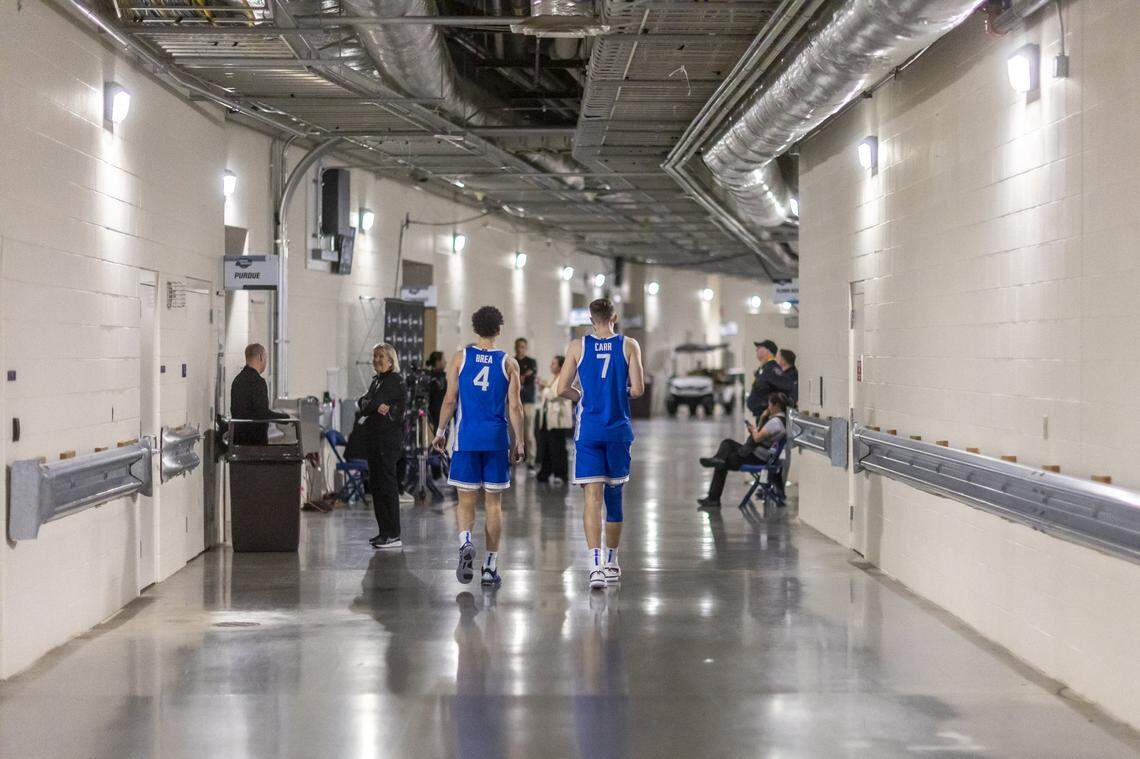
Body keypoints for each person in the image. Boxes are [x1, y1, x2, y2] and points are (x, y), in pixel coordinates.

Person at [556, 298, 645, 591]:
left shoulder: (577, 346)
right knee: (614, 497)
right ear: (615, 317)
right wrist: (619, 393)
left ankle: (594, 567)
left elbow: (561, 388)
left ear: (590, 319)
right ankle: (611, 561)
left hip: (589, 431)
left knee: (591, 499)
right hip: (618, 430)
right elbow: (639, 389)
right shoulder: (629, 345)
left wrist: (582, 396)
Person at [434, 306, 526, 588]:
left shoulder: (461, 358)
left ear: (475, 329)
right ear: (499, 330)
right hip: (496, 439)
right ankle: (489, 566)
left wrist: (440, 431)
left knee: (465, 500)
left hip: (466, 438)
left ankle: (465, 544)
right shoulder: (509, 363)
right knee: (494, 504)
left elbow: (450, 399)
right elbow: (515, 406)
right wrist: (519, 440)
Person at [696, 392, 790, 509]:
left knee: (722, 463)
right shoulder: (781, 420)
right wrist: (761, 419)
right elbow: (760, 433)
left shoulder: (775, 423)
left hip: (756, 457)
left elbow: (757, 437)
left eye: (770, 404)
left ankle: (713, 498)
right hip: (759, 454)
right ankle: (718, 460)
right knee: (727, 443)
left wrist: (753, 430)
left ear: (776, 406)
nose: (768, 407)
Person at [358, 343, 407, 549]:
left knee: (387, 486)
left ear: (390, 360)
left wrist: (371, 403)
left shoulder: (394, 381)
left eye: (380, 356)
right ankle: (383, 532)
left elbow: (370, 402)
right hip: (375, 439)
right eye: (374, 356)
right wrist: (371, 404)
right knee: (376, 487)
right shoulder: (377, 381)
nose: (376, 360)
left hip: (387, 441)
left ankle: (393, 534)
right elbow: (363, 403)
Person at [230, 343, 289, 445]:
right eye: (265, 358)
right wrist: (284, 418)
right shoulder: (258, 381)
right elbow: (262, 414)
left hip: (238, 440)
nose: (266, 362)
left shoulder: (237, 380)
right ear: (261, 357)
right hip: (255, 443)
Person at [536, 355, 574, 484]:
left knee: (558, 448)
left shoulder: (564, 379)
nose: (551, 366)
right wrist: (545, 387)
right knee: (546, 447)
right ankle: (545, 472)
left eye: (553, 364)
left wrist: (544, 387)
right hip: (548, 418)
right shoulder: (553, 379)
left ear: (560, 366)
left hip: (558, 419)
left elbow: (554, 395)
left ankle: (561, 474)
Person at [514, 338, 539, 468]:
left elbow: (531, 374)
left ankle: (531, 461)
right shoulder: (511, 361)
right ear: (515, 347)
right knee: (513, 432)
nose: (520, 349)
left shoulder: (531, 362)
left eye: (523, 346)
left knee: (529, 433)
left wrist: (519, 377)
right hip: (514, 402)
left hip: (528, 401)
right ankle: (512, 460)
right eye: (518, 346)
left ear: (526, 347)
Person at [746, 339, 782, 419]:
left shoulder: (772, 368)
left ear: (767, 351)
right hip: (761, 414)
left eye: (759, 347)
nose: (757, 350)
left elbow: (779, 390)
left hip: (767, 415)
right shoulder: (765, 368)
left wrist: (768, 409)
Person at [425, 350, 447, 431]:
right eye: (443, 360)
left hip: (441, 412)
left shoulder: (442, 377)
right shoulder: (433, 378)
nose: (446, 362)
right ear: (438, 362)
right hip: (438, 413)